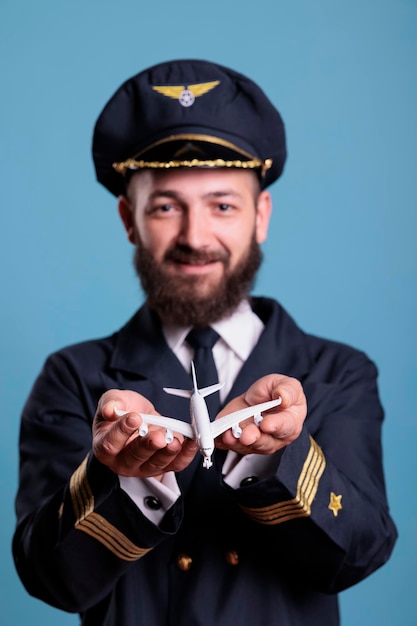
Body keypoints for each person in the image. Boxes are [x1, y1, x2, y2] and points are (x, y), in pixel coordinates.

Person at [13, 59, 397, 626]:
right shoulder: (74, 376)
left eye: (223, 205)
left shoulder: (338, 373)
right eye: (166, 206)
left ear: (260, 216)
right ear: (128, 219)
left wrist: (277, 458)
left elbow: (360, 553)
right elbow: (50, 580)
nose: (195, 237)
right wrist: (117, 473)